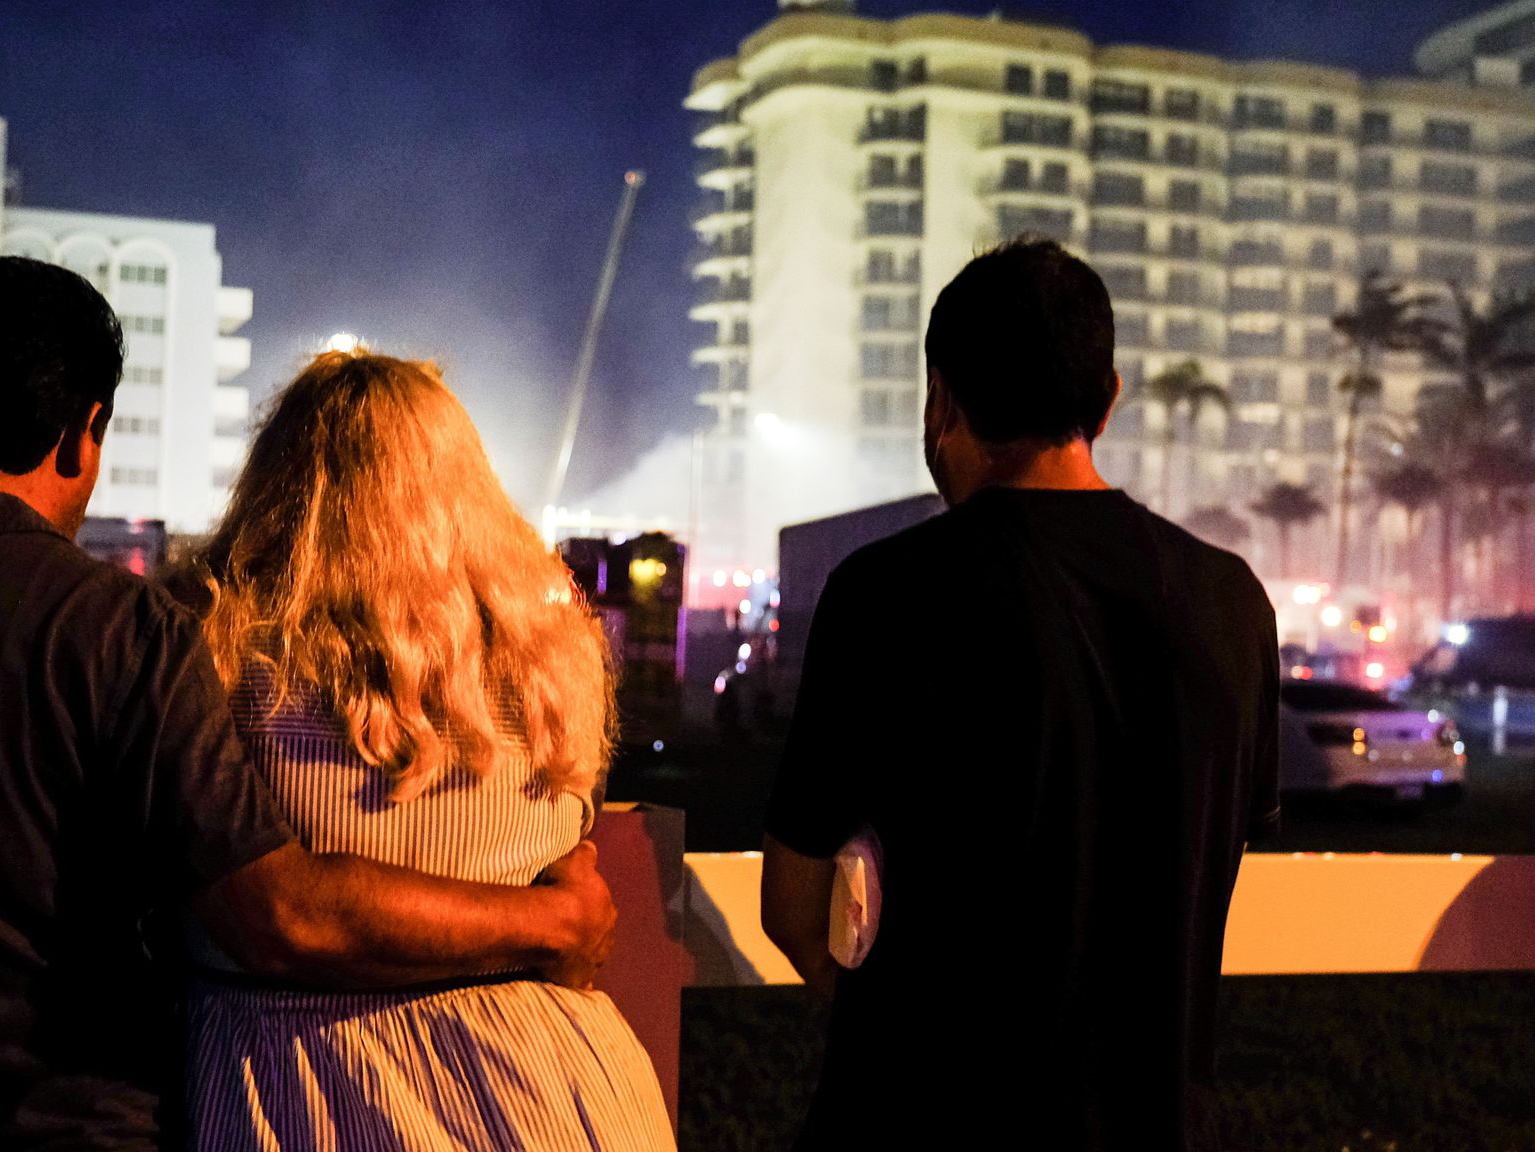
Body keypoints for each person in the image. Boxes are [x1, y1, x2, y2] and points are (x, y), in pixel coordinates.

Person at [0, 257, 615, 1150]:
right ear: (79, 434)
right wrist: (555, 922)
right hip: (65, 1131)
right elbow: (280, 913)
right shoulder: (112, 629)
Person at [759, 238, 1280, 1151]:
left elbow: (791, 909)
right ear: (1108, 400)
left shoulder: (888, 591)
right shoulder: (1232, 601)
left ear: (941, 399)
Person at [180, 350, 675, 1151]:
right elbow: (574, 853)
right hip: (563, 1089)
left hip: (306, 1091)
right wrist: (548, 918)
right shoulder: (554, 662)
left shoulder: (221, 659)